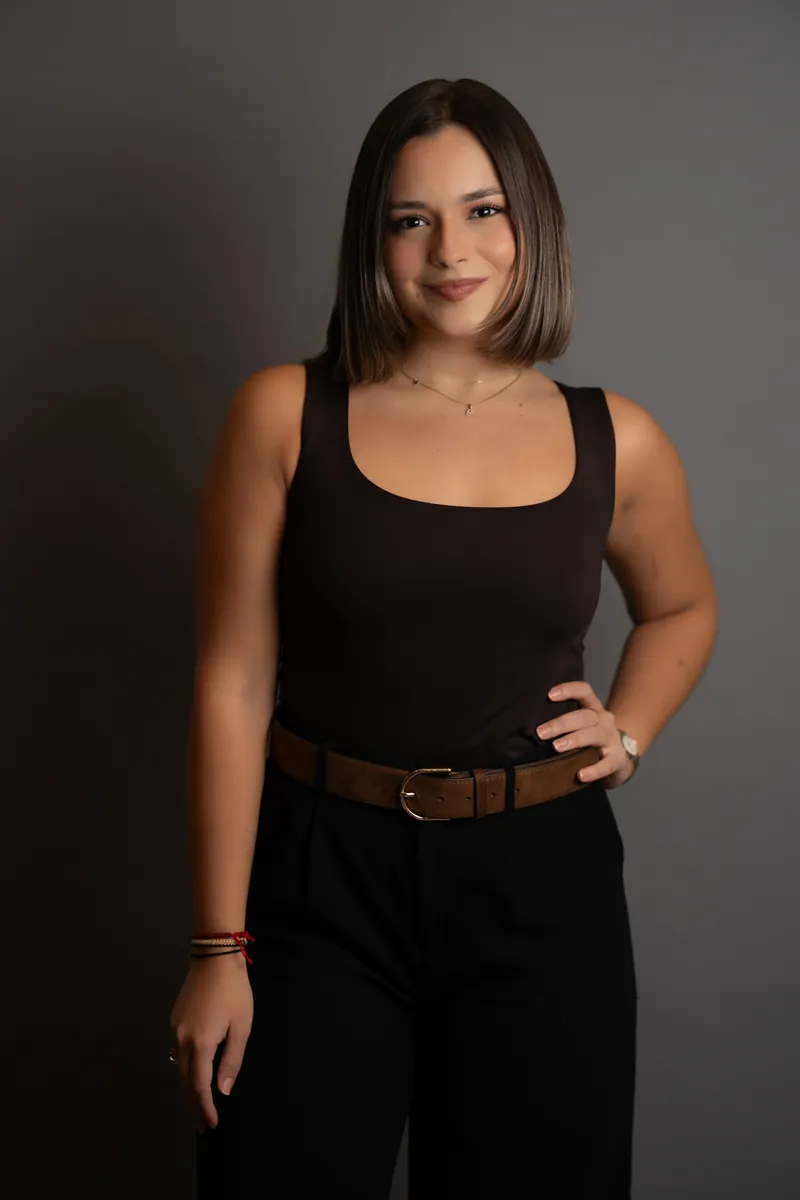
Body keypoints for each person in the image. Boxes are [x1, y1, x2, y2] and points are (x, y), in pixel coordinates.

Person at [169, 77, 718, 1198]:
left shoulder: (616, 437)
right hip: (320, 882)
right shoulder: (283, 414)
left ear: (531, 222)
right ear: (373, 240)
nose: (447, 250)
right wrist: (217, 951)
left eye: (482, 210)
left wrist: (633, 729)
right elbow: (231, 683)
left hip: (541, 887)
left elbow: (683, 606)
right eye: (409, 219)